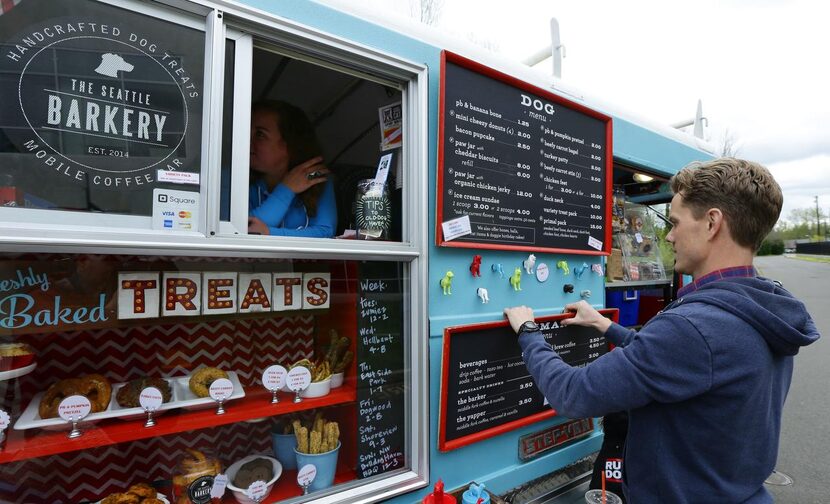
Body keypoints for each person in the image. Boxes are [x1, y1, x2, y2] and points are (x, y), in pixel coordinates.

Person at [504, 158, 820, 503]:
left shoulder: (695, 327)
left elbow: (573, 393)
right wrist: (605, 325)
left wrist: (528, 331)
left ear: (712, 222)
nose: (668, 235)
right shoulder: (759, 307)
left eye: (675, 222)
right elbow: (689, 365)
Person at [247, 100, 336, 237]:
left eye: (260, 134)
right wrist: (286, 189)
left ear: (290, 143)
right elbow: (245, 227)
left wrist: (270, 233)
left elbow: (325, 231)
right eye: (247, 131)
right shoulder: (231, 176)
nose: (247, 139)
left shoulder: (314, 175)